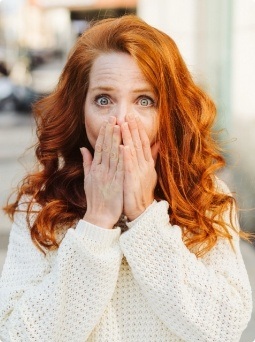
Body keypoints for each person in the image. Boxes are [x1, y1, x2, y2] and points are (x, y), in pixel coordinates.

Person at [0, 15, 252, 342]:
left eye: (144, 100)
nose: (121, 121)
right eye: (104, 100)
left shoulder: (206, 197)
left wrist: (145, 216)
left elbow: (224, 328)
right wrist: (97, 223)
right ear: (80, 109)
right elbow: (16, 334)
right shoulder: (39, 205)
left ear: (167, 114)